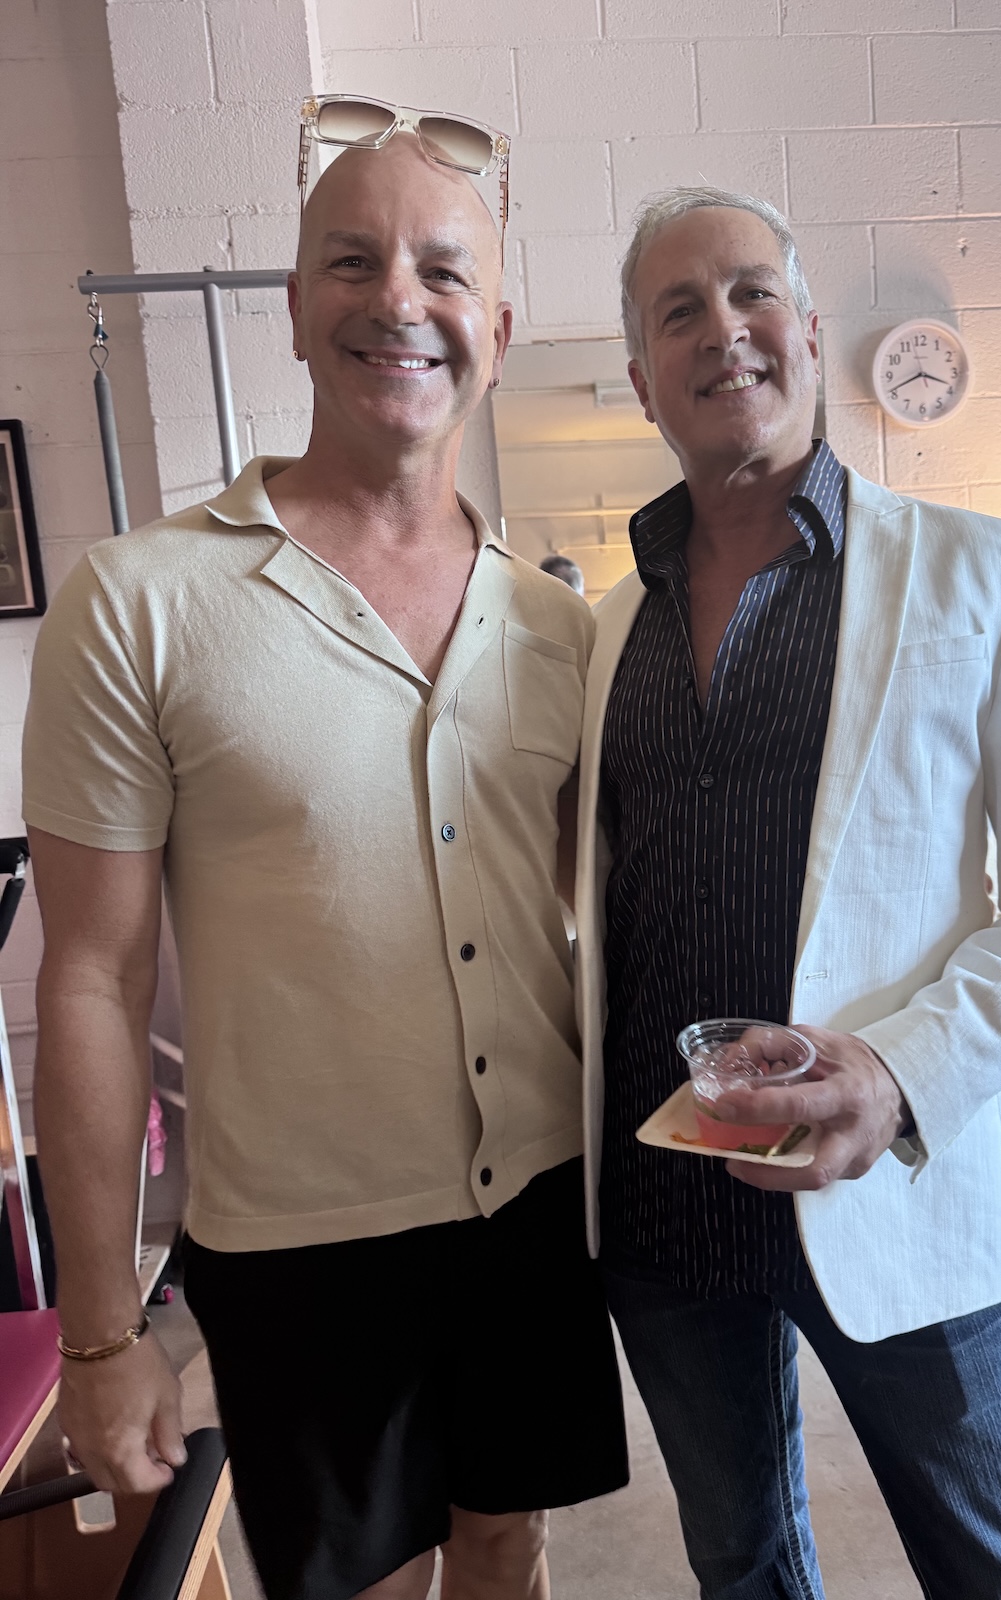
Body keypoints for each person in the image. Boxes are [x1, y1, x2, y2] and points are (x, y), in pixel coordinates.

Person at [23, 119, 626, 1600]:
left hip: (534, 1202)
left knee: (509, 1544)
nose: (397, 300)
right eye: (352, 263)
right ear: (295, 309)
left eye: (443, 271)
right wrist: (100, 1336)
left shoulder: (559, 627)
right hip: (302, 1240)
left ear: (495, 331)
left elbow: (586, 925)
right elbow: (91, 981)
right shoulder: (140, 601)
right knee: (359, 1583)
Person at [572, 186, 1001, 1600]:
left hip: (898, 1173)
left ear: (812, 332)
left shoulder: (986, 573)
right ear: (642, 378)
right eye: (680, 311)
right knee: (743, 1568)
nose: (724, 330)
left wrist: (897, 1072)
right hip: (667, 1199)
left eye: (752, 292)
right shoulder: (603, 628)